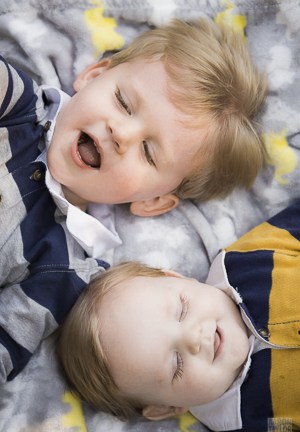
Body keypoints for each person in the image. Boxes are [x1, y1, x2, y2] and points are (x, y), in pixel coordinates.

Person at [1, 16, 267, 384]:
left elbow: (9, 338)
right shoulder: (18, 107)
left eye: (148, 151)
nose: (120, 132)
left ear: (154, 200)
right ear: (93, 76)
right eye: (123, 103)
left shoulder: (67, 267)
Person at [57, 200, 300, 432]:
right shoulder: (254, 428)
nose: (194, 338)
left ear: (178, 278)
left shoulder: (250, 259)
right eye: (177, 364)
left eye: (183, 310)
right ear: (166, 408)